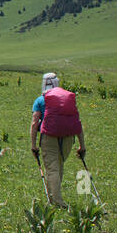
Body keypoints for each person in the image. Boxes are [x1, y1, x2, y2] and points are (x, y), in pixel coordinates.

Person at [30, 72, 86, 208]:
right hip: (67, 138)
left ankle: (57, 202)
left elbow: (34, 123)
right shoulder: (66, 99)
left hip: (48, 138)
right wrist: (82, 145)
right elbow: (76, 122)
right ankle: (53, 198)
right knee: (59, 166)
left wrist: (33, 145)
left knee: (52, 168)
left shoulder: (40, 100)